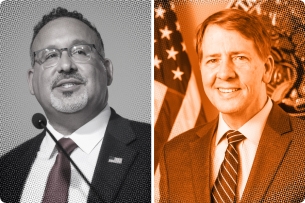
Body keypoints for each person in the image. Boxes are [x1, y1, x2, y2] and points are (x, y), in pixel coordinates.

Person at [0, 7, 150, 203]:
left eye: (80, 51)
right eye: (50, 56)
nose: (65, 66)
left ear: (107, 70)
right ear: (31, 81)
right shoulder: (6, 169)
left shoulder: (156, 148)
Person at [159, 9, 305, 202]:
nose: (225, 73)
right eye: (213, 60)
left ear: (267, 69)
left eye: (239, 58)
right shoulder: (174, 155)